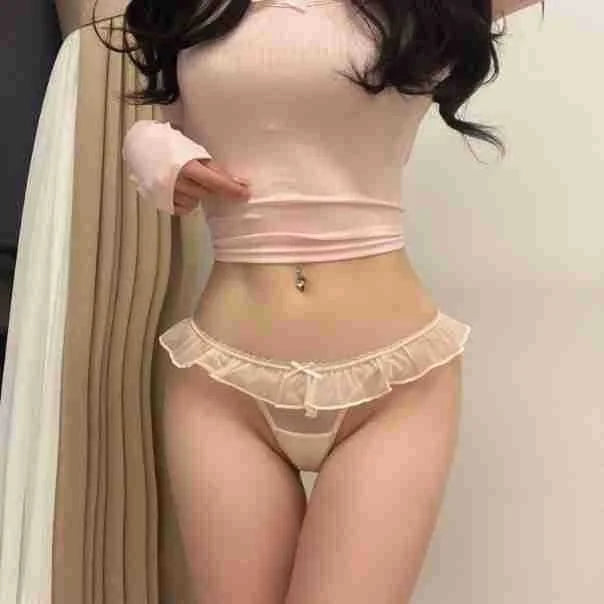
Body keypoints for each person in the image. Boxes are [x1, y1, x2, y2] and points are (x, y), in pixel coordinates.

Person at [99, 0, 544, 602]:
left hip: (392, 386)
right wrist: (147, 145)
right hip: (223, 382)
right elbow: (183, 110)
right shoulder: (198, 8)